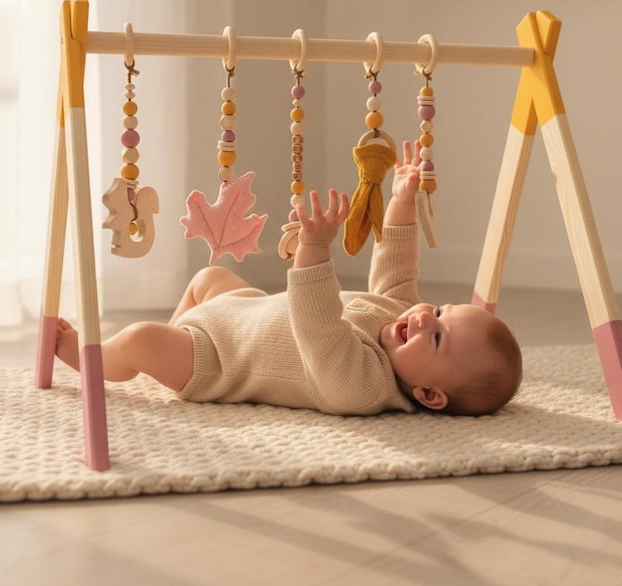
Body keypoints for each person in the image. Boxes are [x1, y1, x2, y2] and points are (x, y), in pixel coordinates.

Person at [55, 141, 522, 417]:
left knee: (141, 339)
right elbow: (397, 268)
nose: (423, 318)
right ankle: (175, 344)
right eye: (438, 311)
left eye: (437, 337)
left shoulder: (362, 387)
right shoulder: (399, 317)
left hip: (218, 360)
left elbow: (318, 325)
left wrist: (314, 249)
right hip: (244, 309)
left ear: (429, 395)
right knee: (209, 275)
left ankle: (92, 358)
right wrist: (401, 200)